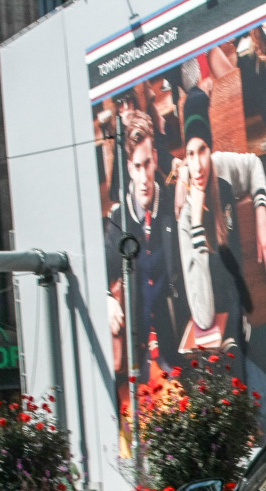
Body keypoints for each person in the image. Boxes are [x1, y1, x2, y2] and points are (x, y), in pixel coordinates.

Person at [173, 88, 266, 432]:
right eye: (190, 154)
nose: (197, 165)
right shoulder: (184, 221)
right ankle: (259, 403)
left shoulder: (221, 170)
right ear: (183, 157)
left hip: (246, 337)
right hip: (221, 358)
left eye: (203, 151)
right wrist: (196, 226)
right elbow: (205, 316)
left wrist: (261, 212)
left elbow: (254, 164)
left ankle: (257, 399)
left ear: (211, 150)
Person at [105, 111, 182, 386]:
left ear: (155, 161)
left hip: (175, 353)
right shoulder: (118, 219)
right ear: (129, 168)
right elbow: (102, 274)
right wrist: (107, 299)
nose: (144, 176)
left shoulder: (173, 204)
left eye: (147, 164)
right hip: (138, 363)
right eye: (137, 167)